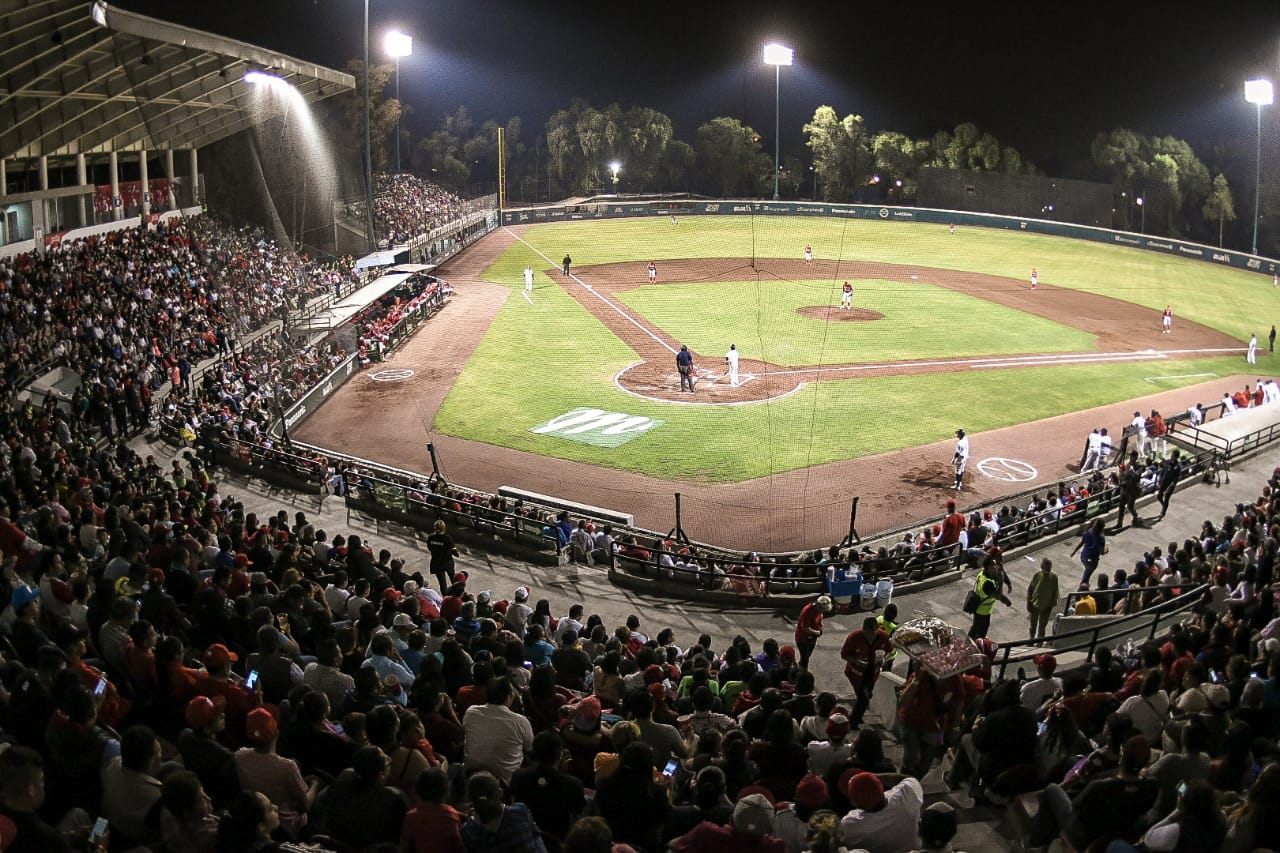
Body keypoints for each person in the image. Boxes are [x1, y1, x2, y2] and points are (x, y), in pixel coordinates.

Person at [839, 772, 925, 853]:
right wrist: (872, 777)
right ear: (881, 786)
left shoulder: (849, 825)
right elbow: (911, 779)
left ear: (854, 803)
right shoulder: (907, 795)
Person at [839, 616, 892, 726]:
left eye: (871, 633)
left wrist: (884, 659)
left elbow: (889, 651)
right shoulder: (854, 638)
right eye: (866, 632)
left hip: (873, 673)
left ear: (877, 629)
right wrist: (857, 661)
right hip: (856, 673)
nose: (869, 635)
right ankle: (853, 721)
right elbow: (844, 655)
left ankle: (858, 716)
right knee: (863, 697)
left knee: (867, 696)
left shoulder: (883, 637)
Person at [968, 559, 1011, 640]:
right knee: (982, 631)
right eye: (994, 566)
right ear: (988, 567)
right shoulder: (987, 583)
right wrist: (1007, 601)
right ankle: (978, 646)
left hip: (978, 607)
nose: (996, 567)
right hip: (983, 611)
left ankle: (969, 640)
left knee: (975, 626)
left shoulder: (982, 574)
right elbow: (998, 596)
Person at [1026, 557, 1059, 642]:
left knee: (1042, 626)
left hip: (1047, 607)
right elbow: (1030, 589)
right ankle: (1031, 640)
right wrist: (1028, 602)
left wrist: (1052, 604)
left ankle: (1039, 642)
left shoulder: (1054, 577)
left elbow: (1055, 592)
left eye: (1048, 566)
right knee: (1033, 625)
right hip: (1035, 605)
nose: (1047, 568)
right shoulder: (1038, 575)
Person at [795, 594, 832, 670]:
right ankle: (802, 672)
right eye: (823, 611)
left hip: (812, 637)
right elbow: (805, 628)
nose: (823, 612)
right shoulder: (807, 612)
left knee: (807, 656)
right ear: (819, 607)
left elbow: (819, 619)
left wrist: (820, 626)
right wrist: (816, 632)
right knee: (805, 658)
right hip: (803, 638)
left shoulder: (819, 611)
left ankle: (801, 667)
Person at [1070, 519, 1107, 587]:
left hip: (1084, 556)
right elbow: (1101, 552)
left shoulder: (1088, 531)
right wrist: (1106, 550)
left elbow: (1081, 542)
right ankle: (1083, 587)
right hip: (1093, 559)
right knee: (1087, 574)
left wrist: (1074, 552)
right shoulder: (1101, 538)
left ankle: (1085, 584)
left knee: (1087, 571)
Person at [1114, 450, 1143, 531]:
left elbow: (1136, 475)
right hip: (1124, 488)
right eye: (1130, 456)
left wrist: (1131, 470)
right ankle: (1119, 523)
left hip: (1133, 490)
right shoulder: (1128, 465)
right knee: (1121, 506)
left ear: (1136, 457)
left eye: (1132, 456)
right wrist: (1122, 473)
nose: (1131, 458)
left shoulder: (1139, 467)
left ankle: (1135, 515)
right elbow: (1125, 476)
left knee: (1130, 506)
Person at [426, 520, 457, 591]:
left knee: (442, 583)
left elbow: (429, 547)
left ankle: (445, 597)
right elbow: (453, 549)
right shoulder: (447, 538)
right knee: (453, 578)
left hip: (436, 562)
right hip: (447, 561)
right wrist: (456, 554)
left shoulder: (431, 537)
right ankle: (457, 592)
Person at [1156, 449, 1182, 519]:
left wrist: (1171, 486)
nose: (1171, 456)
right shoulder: (1168, 462)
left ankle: (1163, 512)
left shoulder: (1177, 467)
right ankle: (1164, 505)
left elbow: (1176, 478)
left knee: (1166, 497)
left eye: (1172, 455)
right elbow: (1163, 471)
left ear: (1176, 457)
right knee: (1159, 496)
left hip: (1170, 485)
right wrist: (1160, 479)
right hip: (1164, 482)